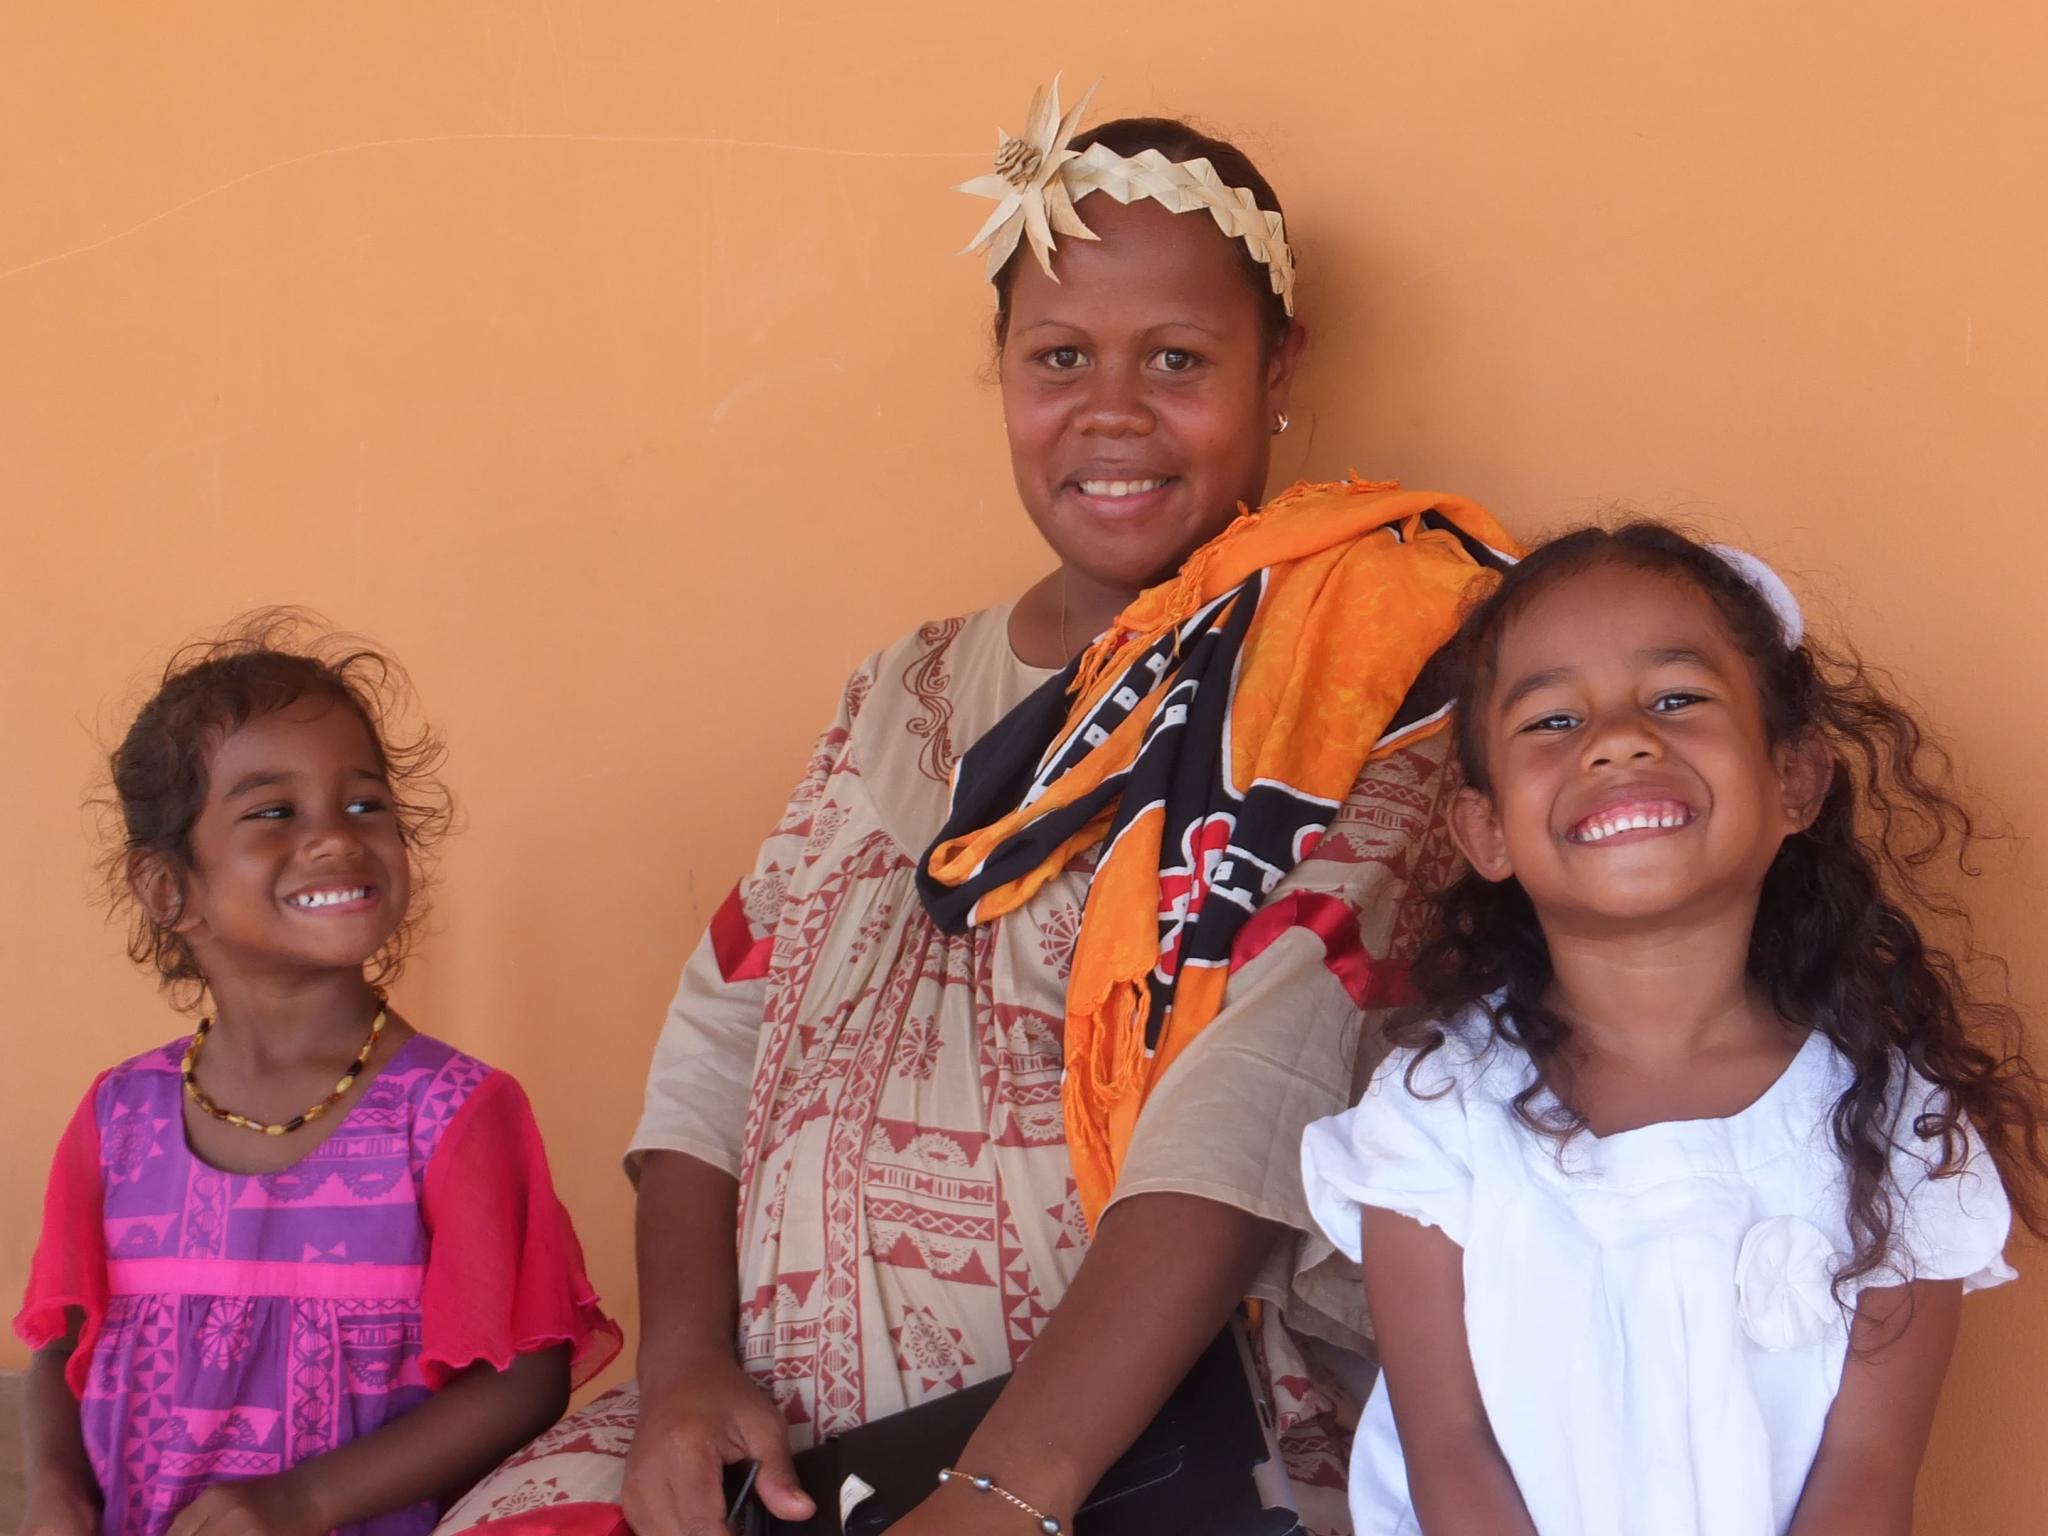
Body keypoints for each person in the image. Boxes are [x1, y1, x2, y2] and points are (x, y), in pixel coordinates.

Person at [440, 79, 1515, 1536]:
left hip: (1150, 1438)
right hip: (792, 1428)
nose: (1112, 413)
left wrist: (1012, 1489)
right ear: (1000, 368)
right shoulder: (903, 690)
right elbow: (721, 1024)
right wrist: (686, 1365)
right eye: (1058, 356)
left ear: (1280, 369)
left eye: (1180, 358)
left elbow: (1261, 1094)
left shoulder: (1354, 673)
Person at [1301, 524, 2048, 1535]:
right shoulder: (1432, 1118)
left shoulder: (1896, 1126)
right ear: (1483, 833)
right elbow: (1448, 1448)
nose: (1616, 737)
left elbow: (1867, 1472)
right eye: (1552, 719)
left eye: (1674, 699)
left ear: (1793, 783)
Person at [16, 617, 620, 1536]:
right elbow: (63, 1337)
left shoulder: (454, 1114)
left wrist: (305, 1500)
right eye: (272, 811)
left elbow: (524, 1376)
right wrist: (54, 1492)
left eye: (365, 804)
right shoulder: (116, 1119)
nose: (336, 837)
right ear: (167, 888)